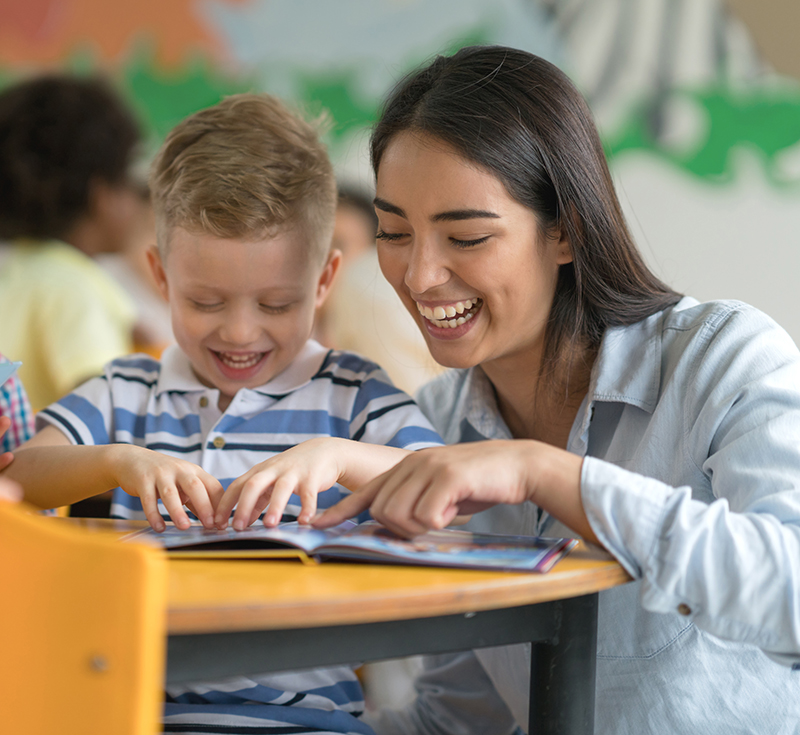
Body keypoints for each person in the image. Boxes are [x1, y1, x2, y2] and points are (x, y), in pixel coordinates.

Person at [215, 46, 800, 734]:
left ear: (565, 232)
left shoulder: (721, 357)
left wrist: (544, 473)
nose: (420, 275)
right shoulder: (434, 427)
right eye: (395, 232)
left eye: (465, 236)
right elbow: (466, 719)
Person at [4, 91, 441, 734]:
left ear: (323, 281)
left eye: (274, 305)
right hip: (131, 713)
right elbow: (21, 476)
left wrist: (339, 456)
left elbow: (441, 482)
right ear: (161, 277)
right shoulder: (129, 388)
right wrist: (119, 461)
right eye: (206, 302)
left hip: (308, 724)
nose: (239, 333)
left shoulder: (351, 393)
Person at [0, 74, 140, 411]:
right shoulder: (76, 286)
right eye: (129, 180)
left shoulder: (19, 271)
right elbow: (104, 410)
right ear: (101, 194)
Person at [320, 186, 443, 395]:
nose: (322, 260)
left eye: (338, 244)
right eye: (314, 246)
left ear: (376, 255)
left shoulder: (362, 287)